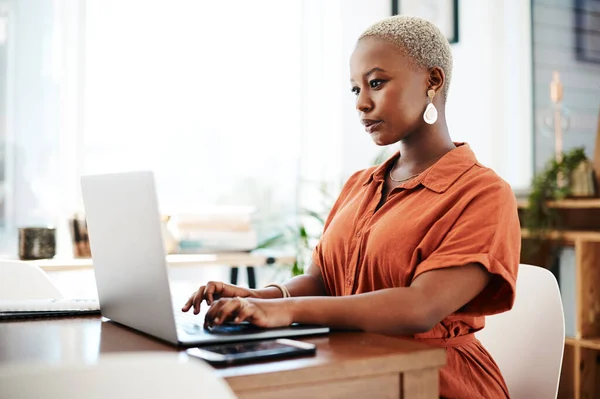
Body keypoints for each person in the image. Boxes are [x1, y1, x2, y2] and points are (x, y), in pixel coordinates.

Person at [182, 15, 520, 399]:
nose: (361, 103)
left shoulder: (482, 193)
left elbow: (420, 306)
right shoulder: (360, 184)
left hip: (433, 381)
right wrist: (257, 299)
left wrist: (287, 313)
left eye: (376, 83)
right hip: (351, 372)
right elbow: (322, 282)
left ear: (433, 81)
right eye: (355, 88)